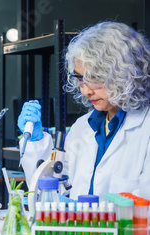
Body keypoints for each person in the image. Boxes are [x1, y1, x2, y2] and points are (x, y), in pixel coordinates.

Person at [18, 21, 150, 200]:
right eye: (80, 79)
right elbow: (53, 189)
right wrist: (37, 143)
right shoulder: (83, 127)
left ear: (123, 73)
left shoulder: (145, 127)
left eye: (95, 78)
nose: (86, 90)